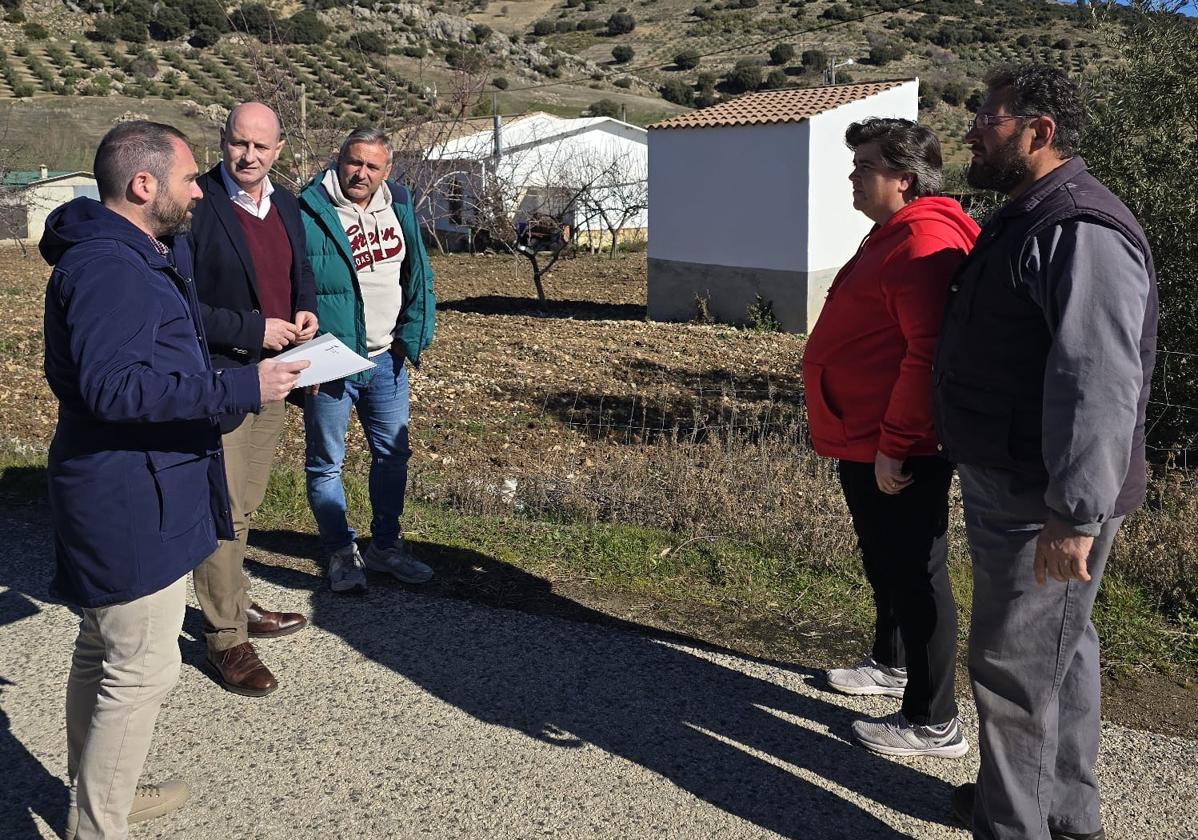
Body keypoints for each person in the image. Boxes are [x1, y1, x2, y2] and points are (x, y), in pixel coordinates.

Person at [41, 121, 306, 839]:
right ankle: (100, 825)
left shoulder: (140, 253)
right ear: (143, 184)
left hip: (133, 484)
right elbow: (115, 388)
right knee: (140, 670)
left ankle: (103, 798)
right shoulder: (109, 268)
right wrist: (239, 388)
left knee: (103, 651)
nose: (202, 187)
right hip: (127, 496)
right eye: (191, 177)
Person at [935, 64, 1157, 840]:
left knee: (1016, 672)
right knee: (1061, 653)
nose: (970, 130)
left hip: (1045, 500)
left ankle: (1015, 826)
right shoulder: (1030, 213)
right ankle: (1059, 814)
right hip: (1032, 488)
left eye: (986, 117)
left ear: (1039, 131)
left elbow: (1096, 382)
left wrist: (1076, 513)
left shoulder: (1077, 227)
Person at [802, 118, 979, 758]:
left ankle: (933, 721)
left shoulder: (921, 243)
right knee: (888, 560)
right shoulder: (896, 233)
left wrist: (895, 444)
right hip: (870, 435)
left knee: (915, 572)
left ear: (903, 179)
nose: (853, 177)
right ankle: (893, 663)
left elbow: (925, 355)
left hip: (894, 444)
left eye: (864, 167)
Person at [189, 102, 318, 697]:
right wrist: (251, 330)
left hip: (277, 374)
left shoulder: (286, 203)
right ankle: (225, 637)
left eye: (261, 147)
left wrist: (304, 308)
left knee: (246, 502)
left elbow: (300, 271)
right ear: (223, 141)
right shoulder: (198, 206)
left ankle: (236, 602)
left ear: (279, 151)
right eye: (239, 143)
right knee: (223, 507)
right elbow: (183, 304)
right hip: (225, 376)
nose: (249, 156)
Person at [297, 127, 436, 592]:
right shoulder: (308, 208)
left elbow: (419, 273)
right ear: (339, 159)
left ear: (387, 170)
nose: (361, 173)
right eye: (354, 162)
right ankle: (340, 553)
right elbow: (289, 285)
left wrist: (410, 337)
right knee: (325, 462)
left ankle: (385, 547)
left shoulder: (398, 205)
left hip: (386, 359)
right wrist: (304, 357)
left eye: (372, 166)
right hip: (331, 361)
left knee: (393, 456)